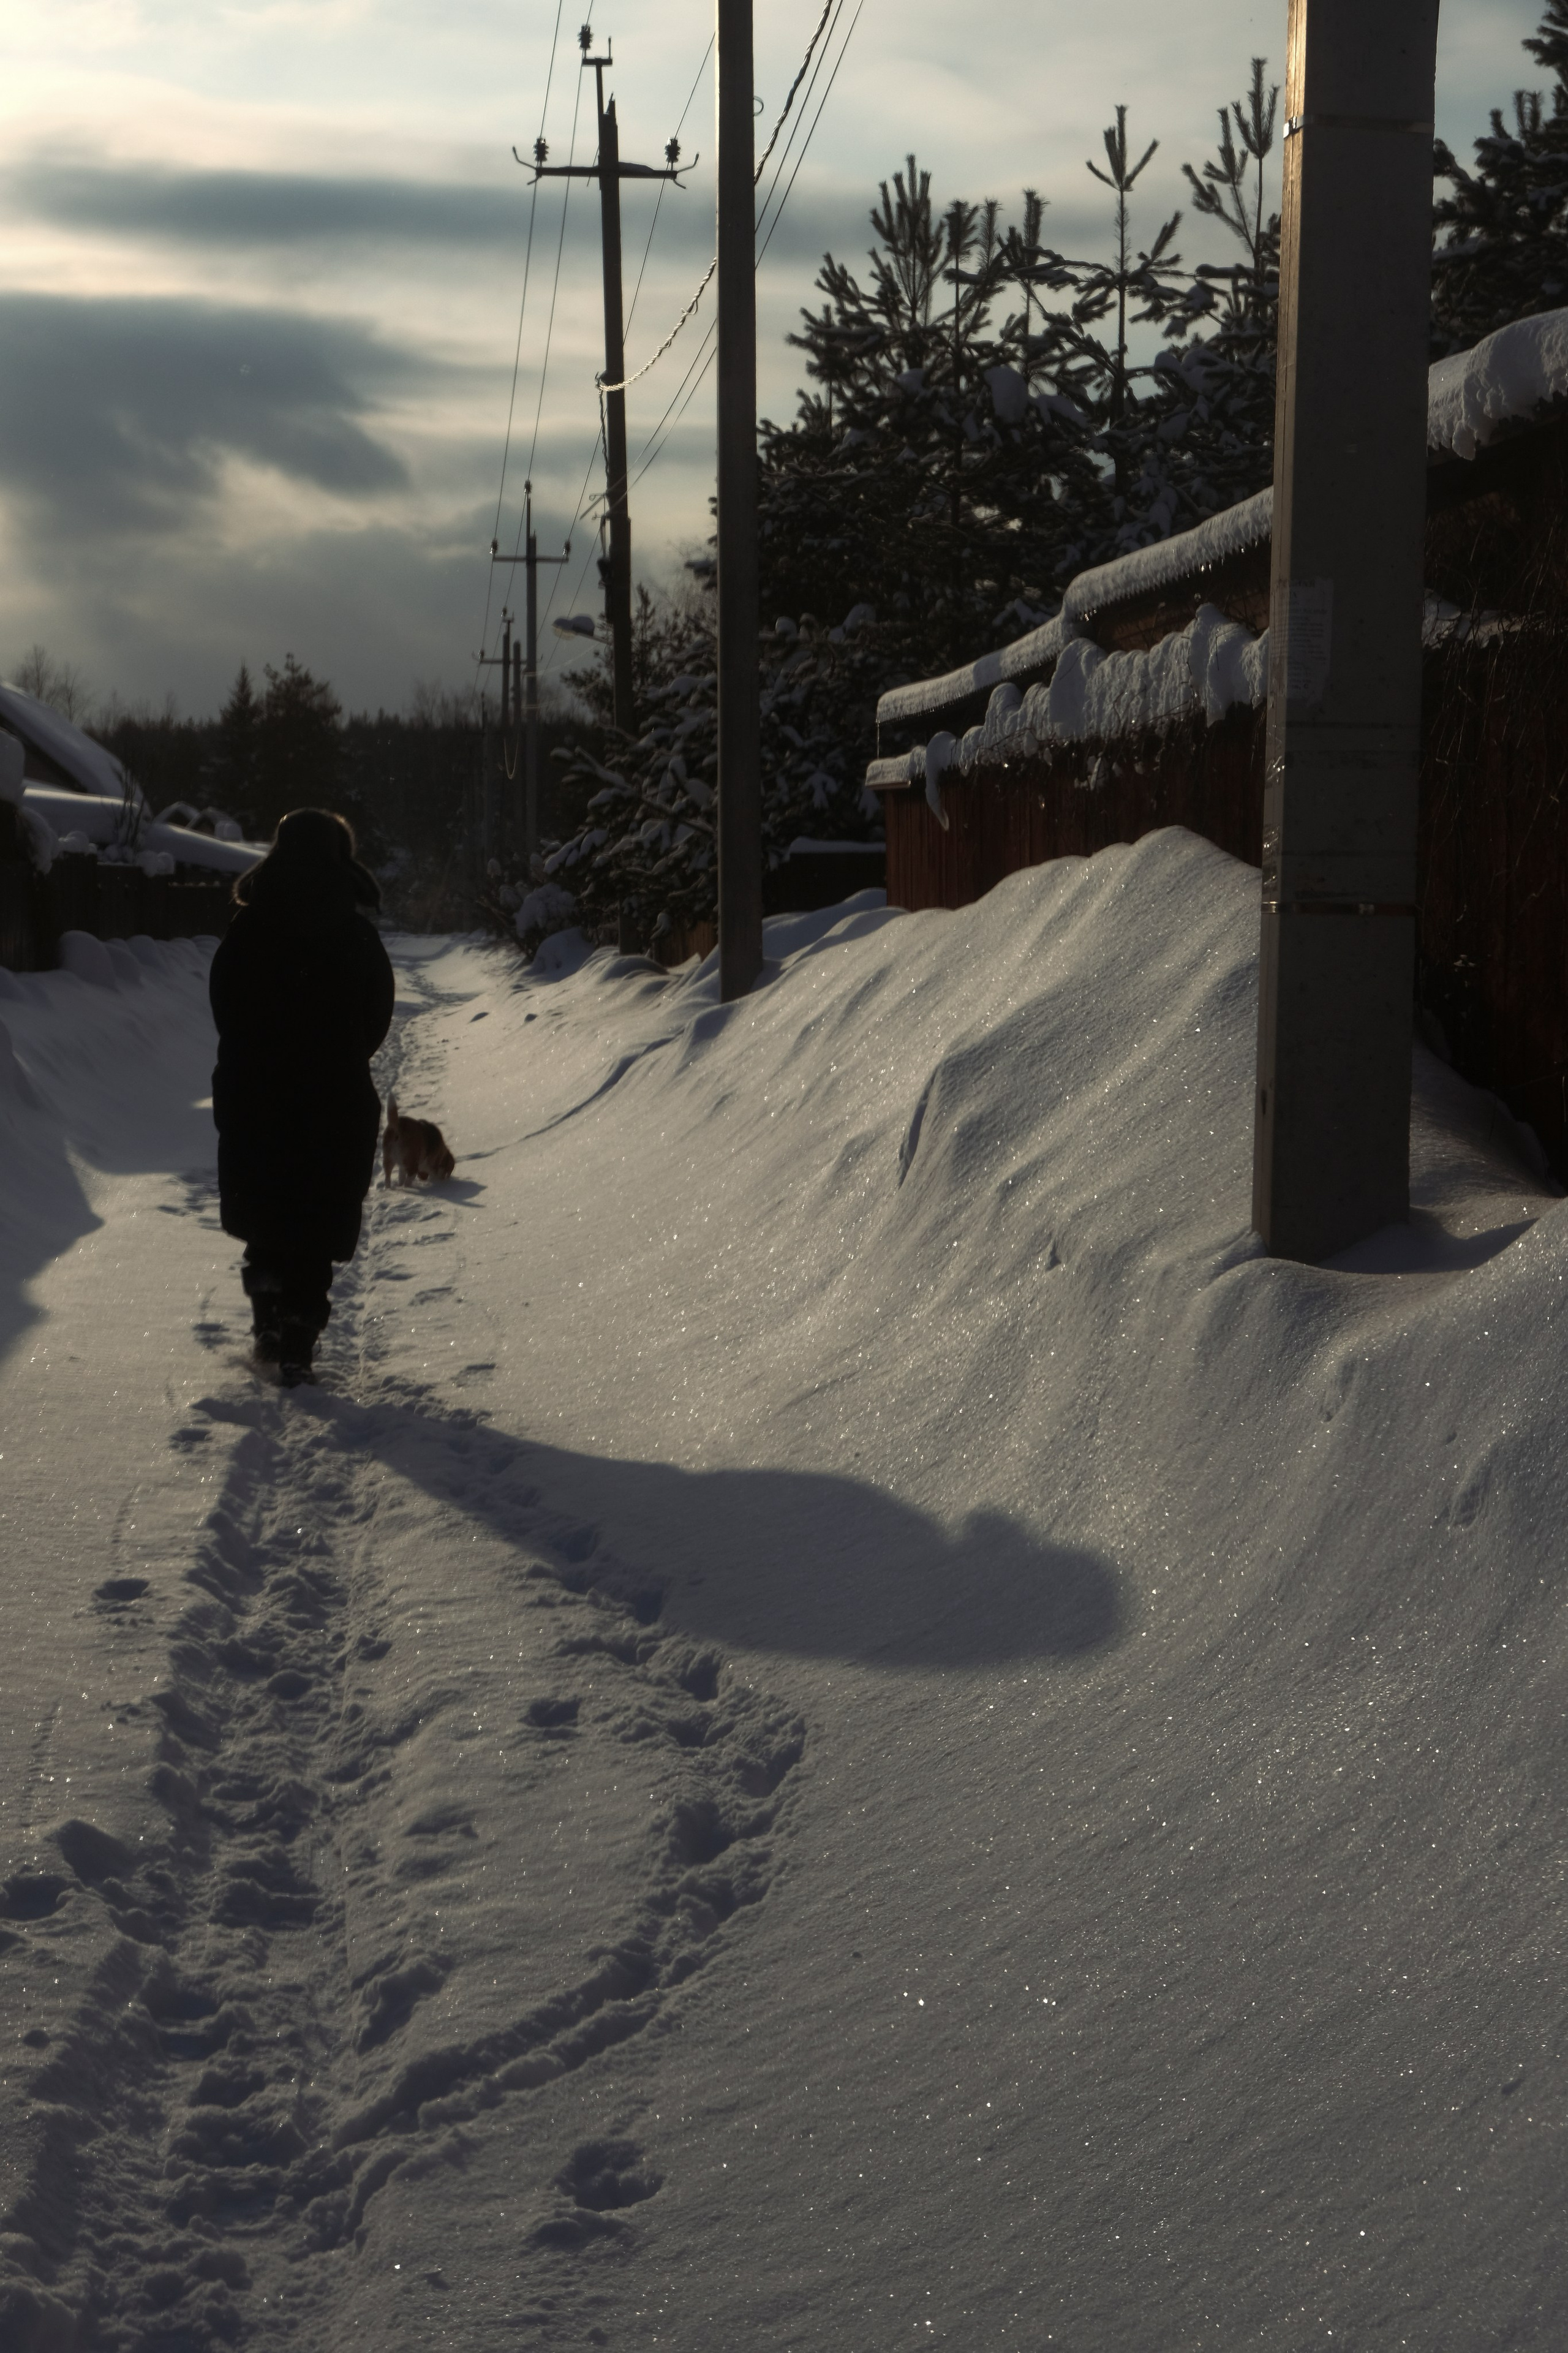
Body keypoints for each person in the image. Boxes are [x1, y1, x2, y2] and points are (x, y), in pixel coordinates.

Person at [208, 808, 394, 1383]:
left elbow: (225, 1003)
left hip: (256, 1091)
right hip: (333, 1096)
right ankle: (297, 1340)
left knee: (265, 1207)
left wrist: (255, 1052)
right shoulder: (355, 934)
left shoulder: (249, 927)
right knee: (315, 1218)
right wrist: (339, 1052)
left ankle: (267, 1312)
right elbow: (377, 1013)